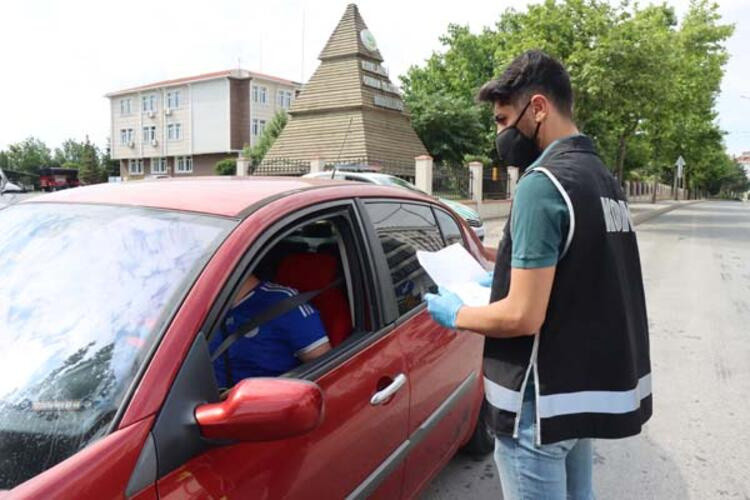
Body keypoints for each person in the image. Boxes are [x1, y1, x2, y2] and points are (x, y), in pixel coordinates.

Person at [425, 50, 651, 500]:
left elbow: (523, 317)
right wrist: (505, 281)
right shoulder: (602, 178)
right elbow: (581, 274)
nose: (500, 133)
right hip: (577, 398)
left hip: (538, 407)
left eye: (503, 118)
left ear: (539, 108)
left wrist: (460, 313)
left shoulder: (542, 183)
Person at [210, 273, 331, 388]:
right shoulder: (208, 308)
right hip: (206, 401)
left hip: (264, 404)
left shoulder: (284, 303)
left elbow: (326, 369)